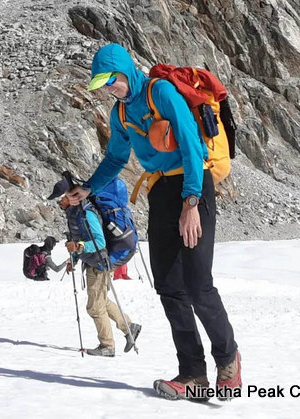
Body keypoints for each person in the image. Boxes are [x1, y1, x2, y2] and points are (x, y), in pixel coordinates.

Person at [70, 43, 240, 400]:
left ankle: (228, 362)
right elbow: (115, 159)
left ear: (123, 70)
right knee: (169, 286)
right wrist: (87, 189)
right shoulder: (120, 114)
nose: (107, 88)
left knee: (198, 284)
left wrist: (192, 200)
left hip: (192, 186)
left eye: (110, 80)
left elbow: (192, 144)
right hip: (161, 191)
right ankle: (193, 374)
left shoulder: (158, 92)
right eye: (101, 83)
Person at [58, 192, 141, 357]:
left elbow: (99, 242)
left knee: (95, 307)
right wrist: (74, 258)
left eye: (62, 197)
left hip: (99, 264)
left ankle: (107, 346)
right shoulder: (75, 214)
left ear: (72, 198)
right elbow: (79, 238)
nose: (59, 201)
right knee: (101, 301)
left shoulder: (86, 214)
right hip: (93, 262)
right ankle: (129, 326)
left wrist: (78, 247)